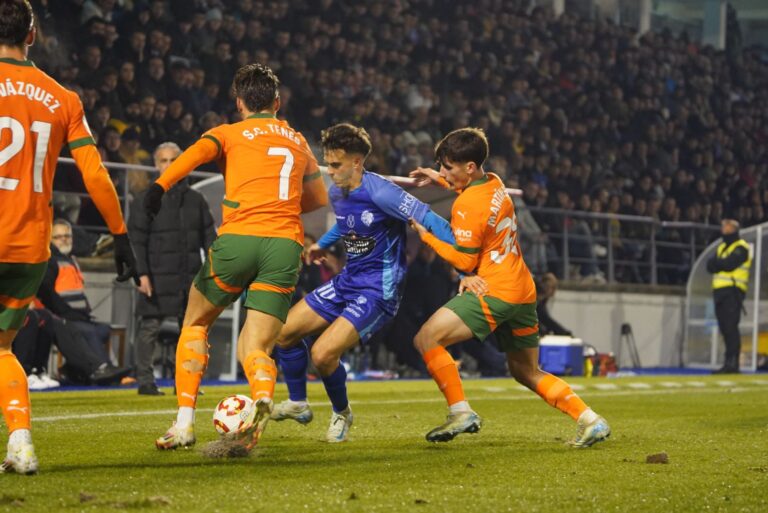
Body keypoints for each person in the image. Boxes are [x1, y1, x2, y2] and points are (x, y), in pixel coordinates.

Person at [145, 63, 328, 450]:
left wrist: (159, 186)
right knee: (256, 347)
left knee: (196, 322)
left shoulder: (229, 132)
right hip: (284, 245)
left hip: (239, 238)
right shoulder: (298, 140)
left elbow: (194, 155)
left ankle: (183, 424)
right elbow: (317, 199)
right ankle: (261, 397)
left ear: (240, 103)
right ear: (277, 103)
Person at [0, 0, 138, 475]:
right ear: (32, 35)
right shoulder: (63, 98)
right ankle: (20, 443)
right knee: (2, 349)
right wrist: (120, 235)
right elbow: (95, 174)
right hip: (28, 246)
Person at [409, 128, 610, 446]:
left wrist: (426, 236)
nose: (444, 172)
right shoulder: (495, 182)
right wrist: (439, 178)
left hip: (495, 289)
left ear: (469, 167)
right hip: (523, 290)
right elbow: (472, 194)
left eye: (447, 167)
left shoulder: (466, 205)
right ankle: (590, 419)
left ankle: (461, 412)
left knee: (427, 338)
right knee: (526, 371)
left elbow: (464, 260)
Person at [267, 123, 456, 442]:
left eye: (336, 165)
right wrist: (323, 244)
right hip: (348, 281)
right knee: (284, 334)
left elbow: (429, 219)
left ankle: (342, 413)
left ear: (357, 162)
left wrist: (466, 263)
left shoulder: (382, 192)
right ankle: (298, 403)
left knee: (323, 354)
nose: (330, 171)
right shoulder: (336, 191)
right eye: (328, 164)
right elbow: (347, 225)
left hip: (378, 290)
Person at [129, 142, 216, 396]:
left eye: (174, 160)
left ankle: (186, 382)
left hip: (189, 276)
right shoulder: (146, 199)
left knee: (190, 330)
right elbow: (136, 241)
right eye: (164, 161)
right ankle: (145, 381)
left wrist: (213, 272)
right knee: (149, 327)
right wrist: (141, 274)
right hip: (156, 276)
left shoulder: (196, 200)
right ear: (156, 165)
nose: (169, 165)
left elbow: (210, 239)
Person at [36, 219, 132, 385]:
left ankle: (74, 369)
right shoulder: (51, 261)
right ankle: (104, 370)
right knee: (88, 332)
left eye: (67, 236)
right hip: (64, 316)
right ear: (49, 240)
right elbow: (47, 294)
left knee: (103, 330)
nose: (64, 239)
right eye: (58, 237)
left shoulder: (71, 259)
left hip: (80, 316)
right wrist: (67, 313)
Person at [706, 219, 751, 374]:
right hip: (719, 291)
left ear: (733, 229)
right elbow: (709, 265)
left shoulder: (741, 247)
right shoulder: (721, 247)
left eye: (726, 227)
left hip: (733, 290)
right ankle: (728, 362)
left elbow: (729, 264)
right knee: (724, 328)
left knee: (731, 327)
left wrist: (719, 264)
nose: (723, 229)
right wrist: (720, 264)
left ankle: (733, 363)